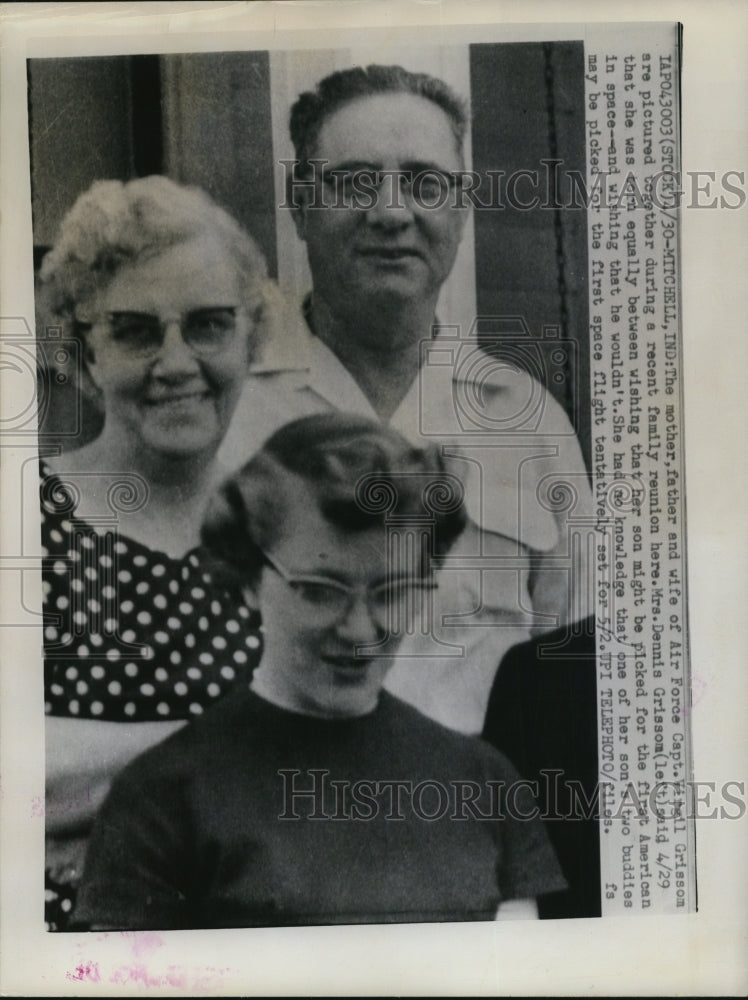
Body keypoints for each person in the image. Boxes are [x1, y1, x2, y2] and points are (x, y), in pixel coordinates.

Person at [73, 413, 567, 930]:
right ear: (247, 578)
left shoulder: (484, 781)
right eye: (318, 589)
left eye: (392, 591)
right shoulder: (162, 798)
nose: (359, 630)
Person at [218, 64, 594, 735]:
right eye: (356, 182)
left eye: (424, 183)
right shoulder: (226, 415)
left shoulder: (527, 423)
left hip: (475, 820)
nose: (392, 212)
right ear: (300, 203)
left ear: (461, 207)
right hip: (279, 814)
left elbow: (578, 671)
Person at [39, 175, 274, 929]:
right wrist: (241, 749)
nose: (176, 363)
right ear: (83, 353)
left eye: (207, 325)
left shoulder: (294, 519)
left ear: (250, 338)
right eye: (137, 331)